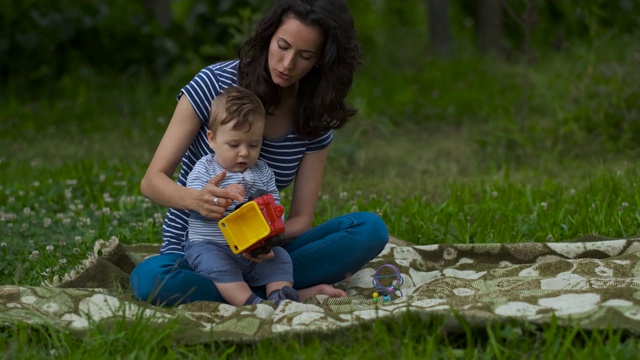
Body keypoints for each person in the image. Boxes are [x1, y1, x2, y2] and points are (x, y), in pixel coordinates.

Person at [130, 0, 389, 306]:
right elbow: (151, 181)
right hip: (198, 251)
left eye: (305, 56)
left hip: (263, 256)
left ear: (321, 60)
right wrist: (195, 200)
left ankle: (260, 290)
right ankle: (276, 295)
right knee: (149, 278)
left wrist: (266, 240)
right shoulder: (213, 84)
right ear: (269, 36)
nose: (287, 63)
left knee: (370, 230)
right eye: (282, 46)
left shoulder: (314, 114)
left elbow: (301, 219)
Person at [184, 85, 299, 307]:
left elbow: (275, 207)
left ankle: (280, 297)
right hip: (211, 245)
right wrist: (223, 196)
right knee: (218, 265)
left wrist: (271, 234)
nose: (244, 152)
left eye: (254, 144)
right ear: (212, 139)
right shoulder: (205, 169)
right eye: (234, 144)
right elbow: (197, 202)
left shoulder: (262, 171)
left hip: (254, 248)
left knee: (281, 258)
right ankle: (250, 303)